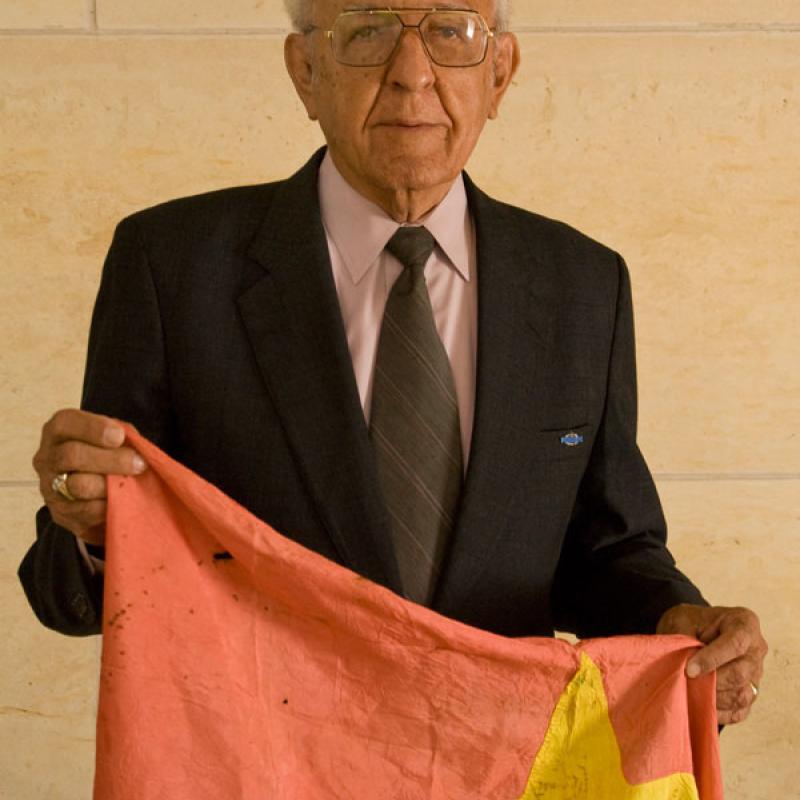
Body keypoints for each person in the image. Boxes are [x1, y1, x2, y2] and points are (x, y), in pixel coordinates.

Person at [20, 0, 766, 726]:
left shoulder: (582, 284)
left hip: (498, 768)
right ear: (305, 69)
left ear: (499, 73)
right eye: (368, 30)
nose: (413, 73)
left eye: (451, 30)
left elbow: (606, 551)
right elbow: (65, 586)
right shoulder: (173, 267)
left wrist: (681, 622)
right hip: (258, 770)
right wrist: (89, 528)